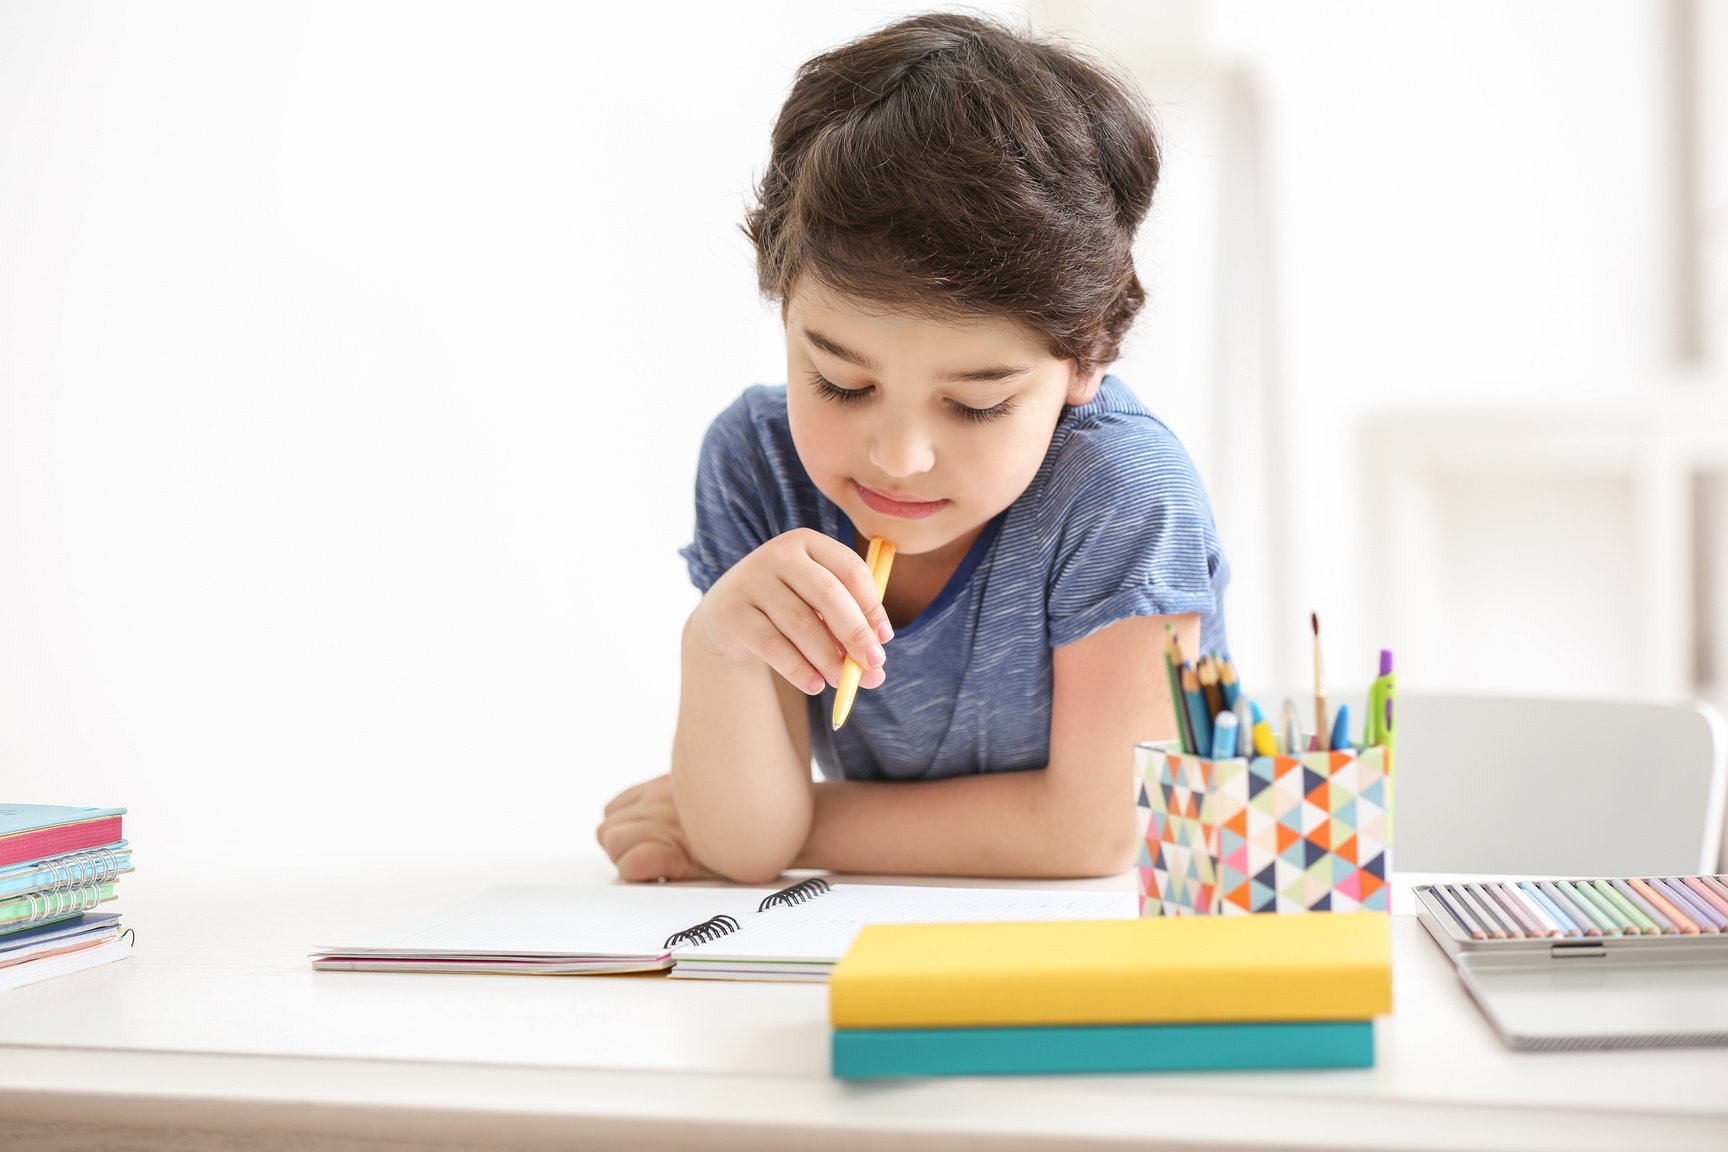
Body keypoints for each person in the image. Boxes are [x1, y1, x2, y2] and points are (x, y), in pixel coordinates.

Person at [597, 11, 1229, 884]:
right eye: (841, 384)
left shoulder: (1119, 492)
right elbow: (744, 851)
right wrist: (714, 641)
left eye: (976, 404)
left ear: (1088, 358)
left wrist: (803, 822)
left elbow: (1094, 834)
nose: (897, 457)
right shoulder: (758, 464)